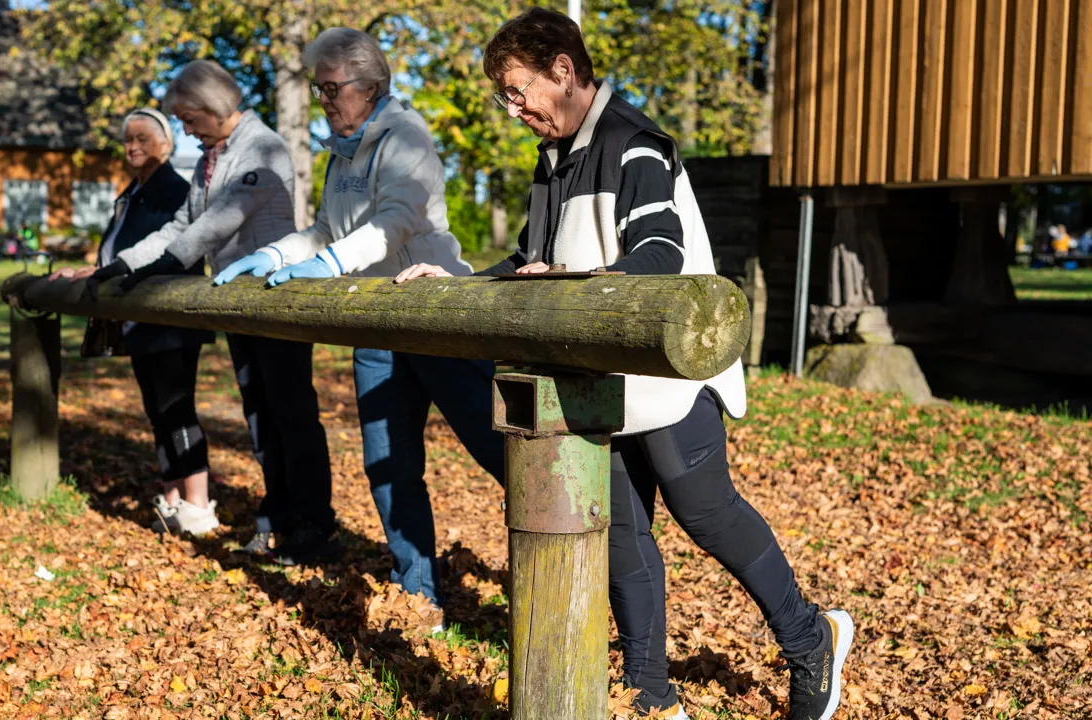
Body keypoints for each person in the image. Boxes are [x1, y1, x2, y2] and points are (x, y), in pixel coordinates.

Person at [398, 9, 852, 719]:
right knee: (621, 532)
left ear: (564, 72)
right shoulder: (553, 159)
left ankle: (810, 637)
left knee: (704, 512)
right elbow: (529, 260)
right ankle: (652, 693)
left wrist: (566, 280)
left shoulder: (634, 143)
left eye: (518, 92)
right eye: (504, 98)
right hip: (598, 375)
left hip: (670, 370)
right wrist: (456, 283)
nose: (513, 110)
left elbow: (658, 257)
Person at [214, 28, 504, 627]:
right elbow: (326, 229)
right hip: (374, 320)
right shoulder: (342, 151)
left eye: (332, 89)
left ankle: (574, 554)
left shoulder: (407, 138)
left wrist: (330, 265)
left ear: (370, 86)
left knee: (499, 451)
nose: (324, 102)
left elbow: (398, 218)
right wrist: (277, 256)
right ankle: (418, 593)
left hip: (433, 316)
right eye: (318, 91)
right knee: (388, 464)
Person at [87, 61, 337, 558]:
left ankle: (314, 525)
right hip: (237, 304)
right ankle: (276, 516)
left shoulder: (261, 147)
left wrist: (167, 262)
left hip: (275, 298)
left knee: (292, 413)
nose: (184, 129)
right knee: (259, 415)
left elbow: (219, 222)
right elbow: (182, 221)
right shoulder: (209, 156)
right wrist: (121, 263)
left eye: (188, 118)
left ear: (213, 108)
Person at [48, 107, 218, 534]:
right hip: (137, 318)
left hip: (170, 315)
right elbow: (119, 250)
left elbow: (172, 249)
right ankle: (173, 497)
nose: (133, 146)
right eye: (128, 139)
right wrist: (95, 270)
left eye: (143, 138)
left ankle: (198, 505)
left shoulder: (174, 191)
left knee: (177, 408)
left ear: (167, 144)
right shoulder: (134, 192)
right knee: (155, 410)